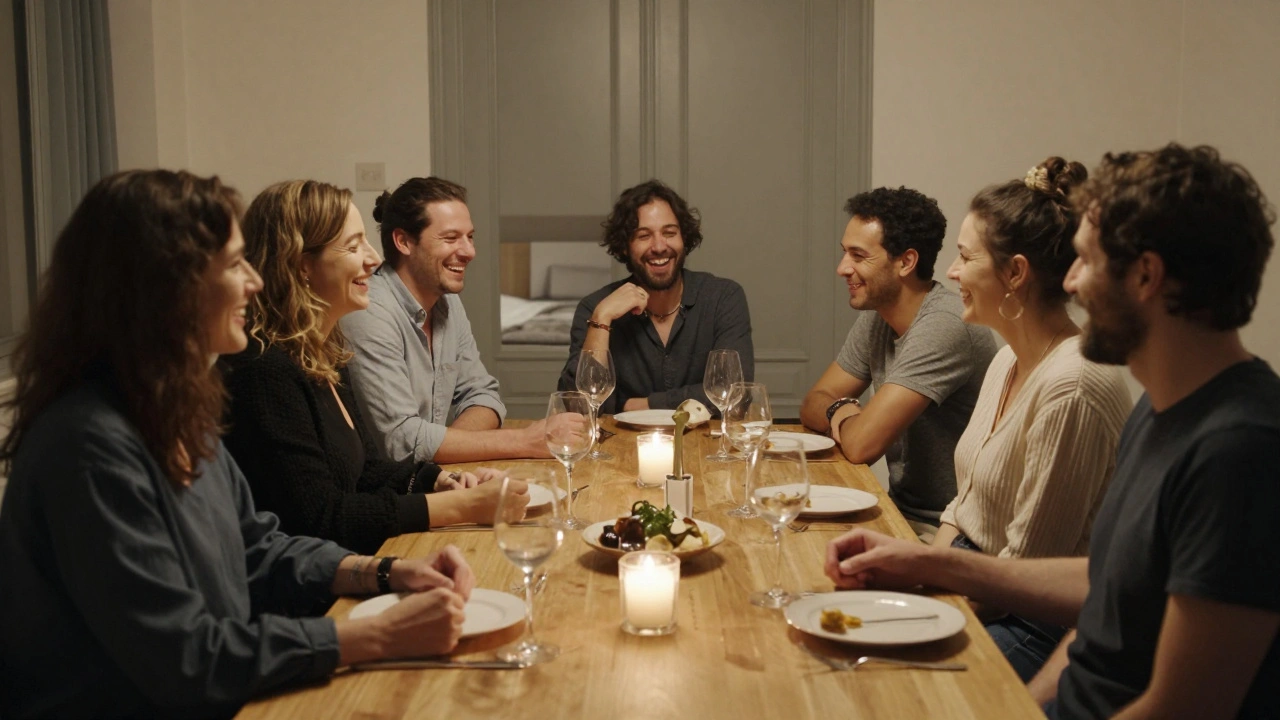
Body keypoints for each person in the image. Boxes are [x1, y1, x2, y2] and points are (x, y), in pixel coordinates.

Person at [0, 170, 478, 719]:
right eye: (233, 264)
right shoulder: (88, 445)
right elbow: (186, 660)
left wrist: (384, 572)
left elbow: (257, 547)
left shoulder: (173, 407)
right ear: (162, 288)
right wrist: (372, 638)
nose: (255, 280)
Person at [825, 144, 1280, 720]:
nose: (1069, 280)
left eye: (1086, 261)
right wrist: (923, 567)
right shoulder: (1164, 411)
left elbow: (1187, 706)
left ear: (1146, 276)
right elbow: (1108, 594)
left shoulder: (1242, 450)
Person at [221, 180, 526, 555]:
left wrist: (443, 480)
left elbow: (364, 471)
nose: (373, 259)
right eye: (353, 246)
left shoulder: (325, 350)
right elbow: (321, 519)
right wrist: (456, 506)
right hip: (313, 592)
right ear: (301, 265)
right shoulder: (265, 369)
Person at [937, 157, 1132, 681]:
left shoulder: (1074, 385)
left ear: (1015, 272)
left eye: (963, 257)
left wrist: (926, 615)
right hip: (977, 582)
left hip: (1029, 623)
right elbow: (963, 506)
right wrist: (924, 581)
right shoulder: (1007, 358)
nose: (952, 273)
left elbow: (1023, 573)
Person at [800, 187, 998, 530]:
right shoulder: (879, 316)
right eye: (845, 253)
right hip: (900, 512)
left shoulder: (945, 326)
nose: (842, 268)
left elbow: (862, 446)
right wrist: (842, 411)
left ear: (906, 262)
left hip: (953, 531)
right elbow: (813, 403)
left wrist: (840, 412)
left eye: (859, 256)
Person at [341, 177, 575, 463]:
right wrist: (525, 440)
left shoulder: (448, 302)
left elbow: (483, 396)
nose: (469, 252)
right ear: (403, 242)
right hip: (385, 498)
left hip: (430, 483)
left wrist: (446, 450)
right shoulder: (369, 311)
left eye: (470, 237)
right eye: (451, 238)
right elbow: (402, 441)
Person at [557, 179, 753, 413]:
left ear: (684, 239)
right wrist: (602, 317)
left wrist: (638, 405)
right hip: (622, 447)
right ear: (624, 247)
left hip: (705, 446)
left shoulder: (723, 297)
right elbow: (581, 408)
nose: (659, 246)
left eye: (669, 233)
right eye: (643, 236)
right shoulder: (595, 307)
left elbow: (735, 395)